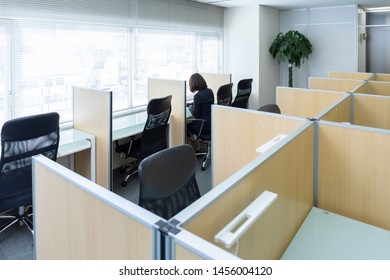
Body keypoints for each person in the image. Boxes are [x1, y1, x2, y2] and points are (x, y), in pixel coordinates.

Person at [187, 73, 214, 140]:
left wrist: (190, 107)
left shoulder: (197, 96)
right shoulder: (209, 91)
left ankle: (190, 149)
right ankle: (198, 148)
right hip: (211, 123)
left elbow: (195, 114)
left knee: (184, 126)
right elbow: (203, 105)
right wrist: (192, 104)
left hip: (202, 126)